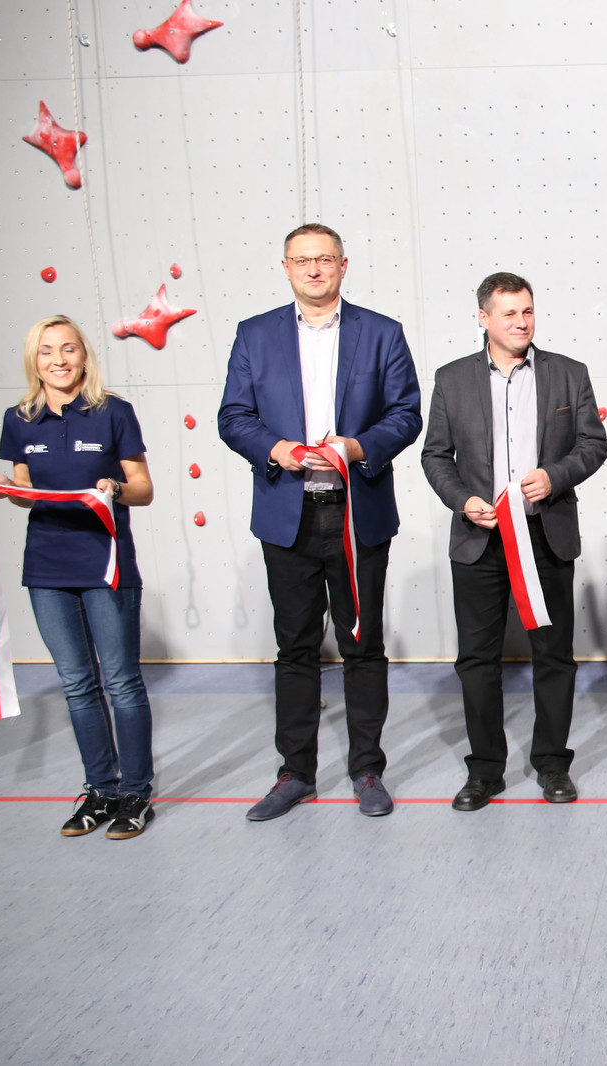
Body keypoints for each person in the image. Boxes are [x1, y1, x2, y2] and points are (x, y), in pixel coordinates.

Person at [218, 223, 422, 821]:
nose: (314, 269)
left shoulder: (381, 333)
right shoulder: (254, 334)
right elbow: (234, 416)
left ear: (343, 265)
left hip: (358, 513)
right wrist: (274, 448)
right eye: (302, 260)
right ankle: (296, 773)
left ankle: (367, 769)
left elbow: (406, 413)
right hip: (288, 514)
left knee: (363, 645)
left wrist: (356, 448)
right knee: (295, 648)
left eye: (325, 259)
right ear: (285, 267)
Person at [419, 272, 607, 811]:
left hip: (544, 536)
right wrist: (462, 500)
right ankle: (484, 771)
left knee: (554, 657)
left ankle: (552, 764)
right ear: (483, 319)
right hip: (479, 540)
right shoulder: (451, 379)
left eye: (527, 311)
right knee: (477, 661)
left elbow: (594, 444)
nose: (522, 322)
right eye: (509, 313)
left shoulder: (568, 373)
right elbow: (435, 455)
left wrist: (556, 476)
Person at [0, 315, 157, 839]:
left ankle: (136, 793)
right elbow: (27, 490)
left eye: (69, 349)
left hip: (106, 563)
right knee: (77, 684)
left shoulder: (113, 411)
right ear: (34, 361)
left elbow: (143, 489)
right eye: (47, 351)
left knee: (121, 682)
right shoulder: (18, 419)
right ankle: (100, 790)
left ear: (84, 356)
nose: (59, 360)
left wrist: (114, 489)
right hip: (47, 566)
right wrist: (3, 486)